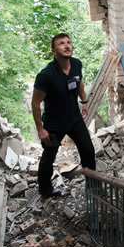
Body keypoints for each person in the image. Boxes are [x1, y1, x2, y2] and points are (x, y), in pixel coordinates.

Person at [31, 33, 96, 198]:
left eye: (68, 42)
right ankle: (45, 189)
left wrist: (84, 101)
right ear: (54, 51)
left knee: (88, 151)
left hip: (74, 119)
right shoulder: (46, 75)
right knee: (49, 157)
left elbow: (79, 82)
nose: (67, 46)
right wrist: (40, 129)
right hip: (53, 123)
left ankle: (93, 187)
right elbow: (35, 103)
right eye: (61, 44)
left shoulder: (76, 64)